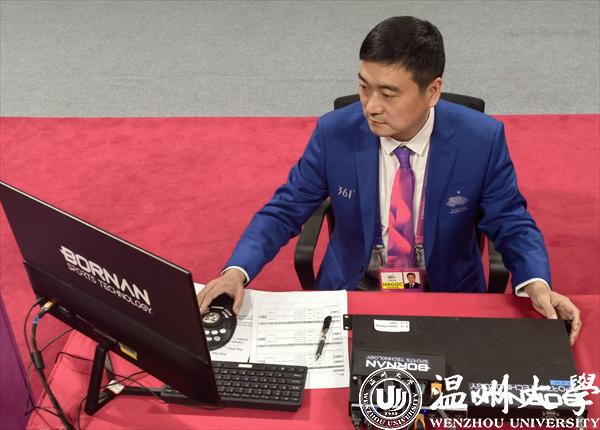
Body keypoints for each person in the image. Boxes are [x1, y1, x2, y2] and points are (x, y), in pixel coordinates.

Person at [197, 16, 581, 344]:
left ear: (432, 91)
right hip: (355, 288)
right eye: (364, 87)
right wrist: (236, 271)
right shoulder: (334, 133)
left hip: (445, 293)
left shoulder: (481, 140)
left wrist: (536, 283)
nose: (371, 106)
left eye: (388, 94)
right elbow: (284, 210)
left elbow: (510, 221)